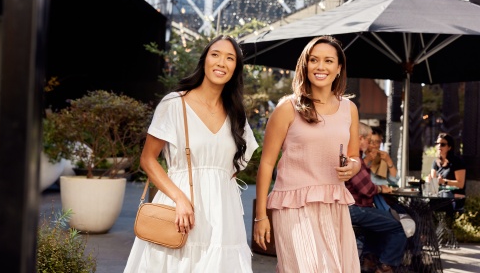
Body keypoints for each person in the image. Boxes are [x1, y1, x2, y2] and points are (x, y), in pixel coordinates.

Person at [123, 35, 259, 272]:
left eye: (230, 58)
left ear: (236, 68)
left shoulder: (236, 114)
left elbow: (232, 170)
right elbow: (147, 159)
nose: (221, 62)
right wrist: (179, 198)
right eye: (215, 55)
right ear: (204, 60)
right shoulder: (174, 104)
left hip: (223, 214)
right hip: (181, 208)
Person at [253, 35, 361, 272]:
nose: (320, 66)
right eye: (314, 60)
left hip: (334, 203)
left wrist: (352, 166)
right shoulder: (287, 108)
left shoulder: (349, 109)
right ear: (305, 65)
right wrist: (261, 216)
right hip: (293, 205)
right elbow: (267, 164)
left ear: (339, 67)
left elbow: (354, 155)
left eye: (328, 61)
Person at [346, 122, 407, 273]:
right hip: (354, 209)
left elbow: (394, 180)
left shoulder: (357, 158)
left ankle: (369, 261)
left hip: (358, 207)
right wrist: (381, 188)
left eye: (377, 141)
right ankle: (385, 266)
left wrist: (387, 162)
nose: (371, 144)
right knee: (399, 227)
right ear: (360, 139)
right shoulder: (356, 160)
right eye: (369, 140)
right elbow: (367, 189)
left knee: (380, 222)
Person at [430, 132, 467, 215]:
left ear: (449, 147)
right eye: (437, 143)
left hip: (454, 197)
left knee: (433, 204)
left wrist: (444, 181)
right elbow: (433, 180)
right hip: (439, 196)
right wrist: (430, 180)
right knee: (422, 204)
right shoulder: (435, 162)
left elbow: (461, 184)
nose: (439, 146)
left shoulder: (457, 162)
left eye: (442, 144)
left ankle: (441, 226)